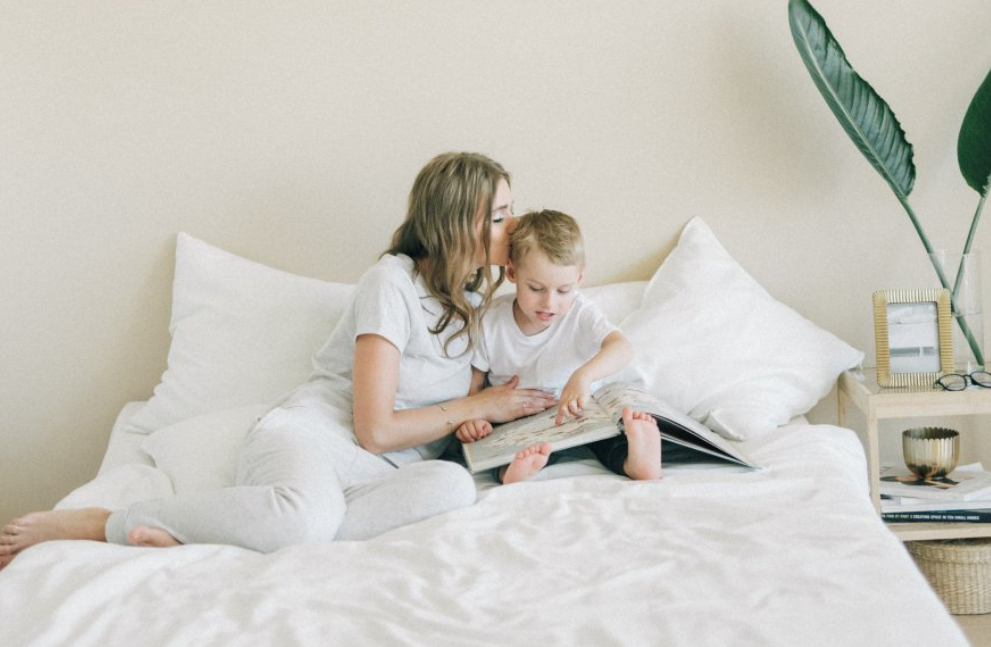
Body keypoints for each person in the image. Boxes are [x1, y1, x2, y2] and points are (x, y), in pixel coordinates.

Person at [0, 152, 557, 566]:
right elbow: (374, 429)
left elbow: (505, 372)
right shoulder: (390, 283)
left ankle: (227, 534)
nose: (514, 227)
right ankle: (110, 524)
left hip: (387, 474)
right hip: (317, 439)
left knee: (454, 489)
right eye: (499, 217)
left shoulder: (479, 299)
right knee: (306, 518)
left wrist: (495, 411)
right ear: (456, 223)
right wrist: (476, 403)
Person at [454, 209, 663, 484]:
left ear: (579, 279)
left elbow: (622, 347)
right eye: (536, 289)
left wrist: (583, 376)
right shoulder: (491, 320)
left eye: (563, 291)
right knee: (502, 446)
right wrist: (473, 418)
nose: (549, 303)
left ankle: (636, 462)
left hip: (576, 417)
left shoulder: (580, 312)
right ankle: (513, 472)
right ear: (513, 273)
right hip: (517, 421)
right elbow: (474, 385)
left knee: (609, 437)